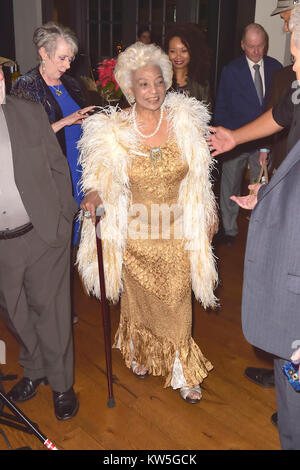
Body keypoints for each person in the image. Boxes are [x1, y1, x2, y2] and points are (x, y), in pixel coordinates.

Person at [77, 42, 218, 404]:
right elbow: (98, 175)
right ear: (129, 87)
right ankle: (140, 350)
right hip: (135, 233)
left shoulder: (185, 121)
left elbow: (201, 176)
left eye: (158, 82)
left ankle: (181, 369)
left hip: (176, 229)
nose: (153, 91)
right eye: (144, 84)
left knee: (176, 300)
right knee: (138, 302)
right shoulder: (114, 129)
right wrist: (93, 196)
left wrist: (209, 211)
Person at [213, 5, 300, 449]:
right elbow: (283, 113)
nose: (293, 63)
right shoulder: (299, 87)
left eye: (298, 50)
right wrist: (235, 138)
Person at [0, 63, 79, 421]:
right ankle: (35, 369)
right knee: (14, 312)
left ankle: (62, 383)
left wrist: (65, 219)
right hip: (2, 247)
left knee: (53, 313)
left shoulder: (28, 113)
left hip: (42, 231)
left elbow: (58, 167)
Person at [11, 22, 94, 325]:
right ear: (43, 54)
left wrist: (89, 119)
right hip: (51, 172)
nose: (68, 64)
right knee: (55, 241)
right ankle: (51, 306)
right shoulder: (26, 86)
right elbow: (24, 138)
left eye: (71, 58)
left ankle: (65, 299)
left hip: (79, 166)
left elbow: (80, 114)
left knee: (74, 237)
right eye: (62, 58)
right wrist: (66, 122)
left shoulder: (71, 83)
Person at [214, 23, 282, 246]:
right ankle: (230, 231)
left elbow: (278, 111)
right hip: (235, 141)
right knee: (230, 186)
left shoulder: (276, 68)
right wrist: (226, 138)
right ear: (243, 45)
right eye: (251, 46)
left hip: (264, 143)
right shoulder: (231, 70)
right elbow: (222, 108)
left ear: (266, 44)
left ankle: (258, 230)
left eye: (260, 46)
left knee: (261, 187)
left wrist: (266, 146)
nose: (256, 51)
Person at [166, 24, 211, 105]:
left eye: (184, 51)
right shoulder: (160, 80)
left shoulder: (201, 83)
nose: (178, 56)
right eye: (173, 51)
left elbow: (207, 113)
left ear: (192, 52)